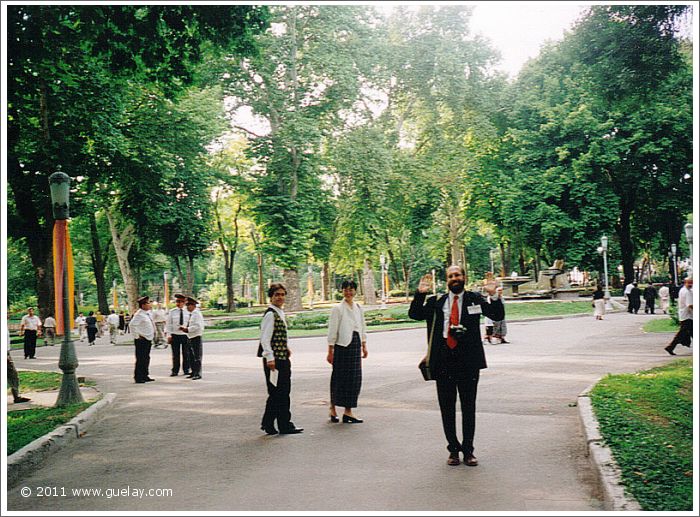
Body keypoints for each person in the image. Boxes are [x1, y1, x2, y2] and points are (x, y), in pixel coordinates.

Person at [409, 265, 504, 467]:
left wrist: (493, 294)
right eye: (451, 276)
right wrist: (420, 293)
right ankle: (453, 449)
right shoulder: (437, 302)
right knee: (447, 407)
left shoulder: (474, 299)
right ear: (447, 280)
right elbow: (415, 314)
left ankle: (468, 450)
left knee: (469, 406)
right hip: (443, 361)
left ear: (464, 277)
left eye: (458, 275)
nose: (455, 278)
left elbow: (497, 315)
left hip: (468, 361)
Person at [257, 283, 304, 435]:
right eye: (277, 294)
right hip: (274, 361)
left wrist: (286, 347)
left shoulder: (279, 312)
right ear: (271, 296)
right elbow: (265, 339)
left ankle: (270, 423)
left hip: (282, 357)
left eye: (283, 294)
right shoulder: (271, 314)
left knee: (281, 393)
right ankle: (283, 424)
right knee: (279, 393)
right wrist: (270, 358)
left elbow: (278, 335)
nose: (280, 297)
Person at [326, 279, 368, 424]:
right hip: (342, 346)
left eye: (351, 289)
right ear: (342, 291)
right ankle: (332, 408)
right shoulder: (337, 309)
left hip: (355, 344)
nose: (348, 292)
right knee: (339, 378)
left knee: (354, 379)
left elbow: (362, 326)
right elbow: (332, 330)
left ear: (355, 291)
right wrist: (330, 350)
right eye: (346, 290)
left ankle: (348, 412)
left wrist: (364, 344)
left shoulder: (358, 307)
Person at [130, 296, 156, 383]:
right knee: (141, 358)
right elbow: (132, 325)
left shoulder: (147, 313)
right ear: (143, 305)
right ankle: (138, 377)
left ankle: (145, 375)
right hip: (142, 339)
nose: (150, 304)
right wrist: (137, 336)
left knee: (146, 358)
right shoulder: (139, 314)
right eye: (148, 303)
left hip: (148, 338)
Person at [665, 277, 693, 356]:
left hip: (686, 315)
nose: (690, 284)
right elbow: (690, 305)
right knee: (683, 333)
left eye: (692, 283)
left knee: (684, 333)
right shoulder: (686, 292)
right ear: (685, 283)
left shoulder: (685, 290)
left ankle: (670, 347)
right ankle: (670, 347)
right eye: (689, 283)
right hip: (687, 316)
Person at [166, 294, 191, 377]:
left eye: (180, 301)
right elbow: (169, 324)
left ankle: (186, 369)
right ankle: (175, 370)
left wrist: (187, 329)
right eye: (177, 301)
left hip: (185, 335)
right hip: (175, 335)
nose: (178, 303)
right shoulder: (172, 312)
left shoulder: (188, 311)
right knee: (175, 354)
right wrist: (169, 335)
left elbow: (191, 323)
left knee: (186, 353)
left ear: (184, 302)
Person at [181, 297, 205, 380]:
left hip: (196, 336)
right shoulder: (192, 314)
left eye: (188, 305)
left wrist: (188, 329)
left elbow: (198, 326)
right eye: (186, 305)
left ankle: (198, 373)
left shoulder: (197, 314)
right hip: (191, 336)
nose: (187, 307)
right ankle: (193, 371)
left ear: (193, 305)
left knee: (197, 356)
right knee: (191, 355)